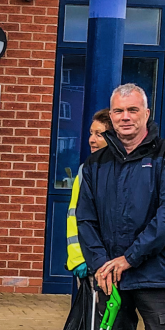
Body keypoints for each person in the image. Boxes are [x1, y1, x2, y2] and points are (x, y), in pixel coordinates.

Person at [77, 83, 165, 330]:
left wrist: (130, 258)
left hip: (157, 276)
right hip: (111, 277)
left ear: (146, 113)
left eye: (133, 110)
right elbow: (85, 220)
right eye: (119, 111)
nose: (125, 117)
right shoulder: (95, 164)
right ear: (112, 116)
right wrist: (100, 265)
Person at [66, 109, 112, 281]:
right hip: (91, 262)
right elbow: (74, 215)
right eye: (91, 133)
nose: (91, 140)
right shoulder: (85, 170)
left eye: (99, 134)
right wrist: (78, 258)